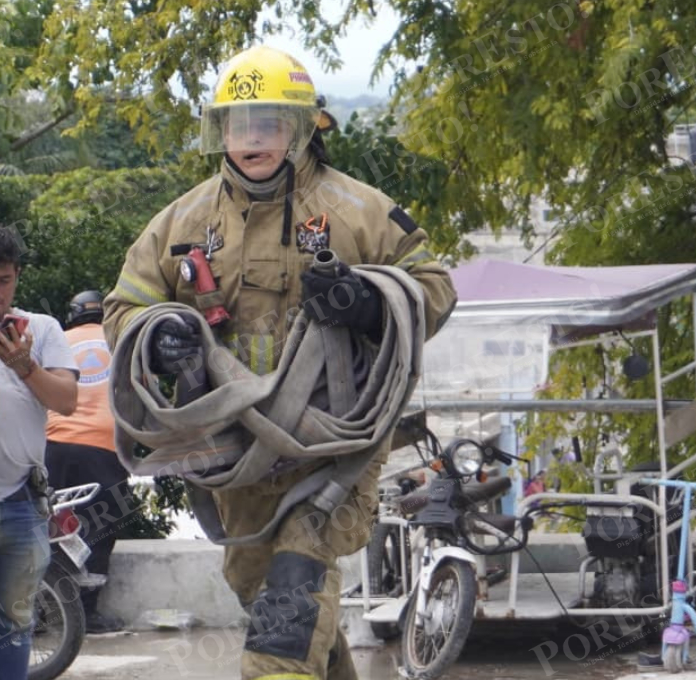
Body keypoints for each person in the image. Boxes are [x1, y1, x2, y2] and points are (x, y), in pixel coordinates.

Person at [102, 45, 458, 680]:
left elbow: (432, 287)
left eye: (265, 123)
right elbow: (124, 306)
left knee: (289, 604)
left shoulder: (360, 210)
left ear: (300, 127)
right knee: (265, 591)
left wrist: (367, 303)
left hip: (336, 443)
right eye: (238, 125)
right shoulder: (182, 219)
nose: (250, 140)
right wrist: (154, 338)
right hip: (235, 446)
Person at [0, 224, 78, 680]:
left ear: (17, 278)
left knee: (16, 622)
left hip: (22, 500)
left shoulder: (42, 329)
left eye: (4, 280)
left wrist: (24, 364)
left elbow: (65, 400)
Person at [44, 290, 132, 634]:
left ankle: (34, 610)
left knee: (46, 529)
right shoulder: (121, 344)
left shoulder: (57, 341)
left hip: (54, 446)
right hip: (103, 448)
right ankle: (86, 614)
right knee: (101, 527)